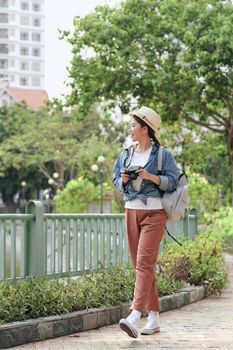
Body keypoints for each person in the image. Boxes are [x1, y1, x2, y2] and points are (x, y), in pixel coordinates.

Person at [112, 106, 178, 338]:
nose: (130, 129)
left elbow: (172, 182)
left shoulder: (163, 155)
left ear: (145, 128)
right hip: (131, 212)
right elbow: (115, 180)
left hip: (154, 214)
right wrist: (123, 180)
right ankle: (154, 317)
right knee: (141, 266)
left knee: (144, 263)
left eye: (133, 125)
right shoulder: (126, 154)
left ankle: (134, 314)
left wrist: (151, 177)